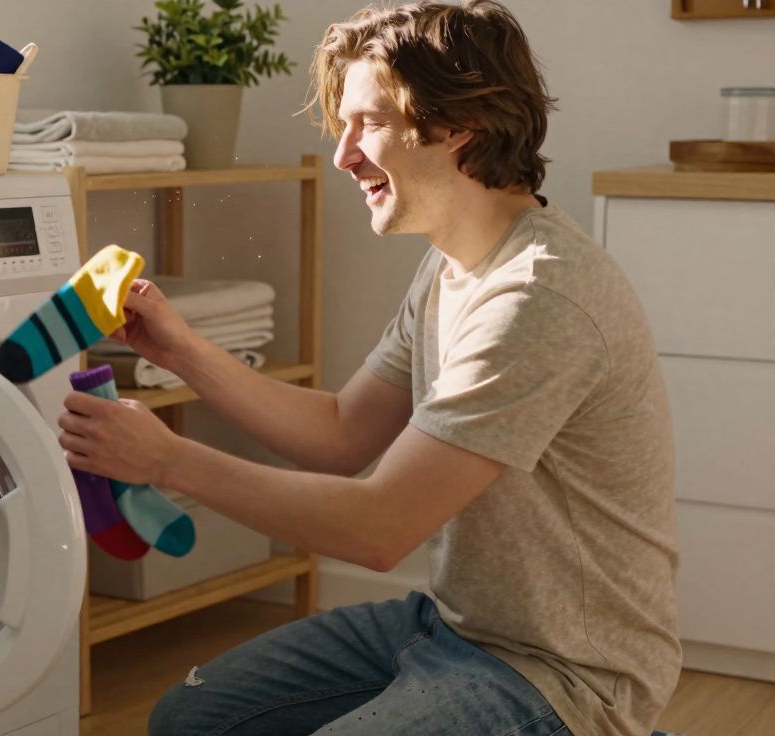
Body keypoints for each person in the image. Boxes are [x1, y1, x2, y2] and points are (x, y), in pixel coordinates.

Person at [55, 2, 681, 734]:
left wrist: (166, 461)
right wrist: (181, 351)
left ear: (458, 123)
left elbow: (380, 529)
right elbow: (342, 431)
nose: (343, 155)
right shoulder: (450, 268)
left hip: (568, 674)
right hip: (454, 628)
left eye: (369, 123)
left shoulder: (538, 297)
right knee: (190, 720)